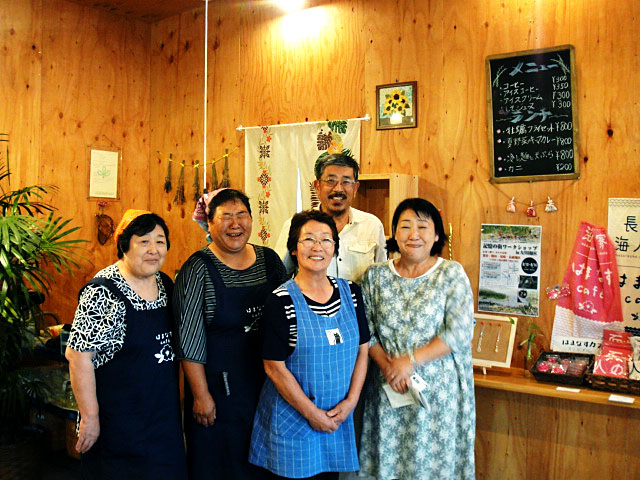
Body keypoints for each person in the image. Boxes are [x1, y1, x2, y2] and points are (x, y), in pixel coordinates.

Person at [173, 188, 287, 479]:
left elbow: (288, 316)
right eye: (226, 217)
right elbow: (189, 339)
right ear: (209, 224)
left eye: (242, 215)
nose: (235, 224)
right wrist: (201, 396)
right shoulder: (197, 269)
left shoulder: (270, 261)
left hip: (266, 385)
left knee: (263, 463)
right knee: (220, 465)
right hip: (217, 391)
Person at [358, 198, 475, 480]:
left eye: (422, 227)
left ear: (436, 235)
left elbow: (459, 332)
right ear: (394, 233)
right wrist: (389, 367)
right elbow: (366, 330)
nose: (414, 234)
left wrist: (409, 362)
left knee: (433, 465)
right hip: (389, 386)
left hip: (438, 392)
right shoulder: (375, 276)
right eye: (405, 226)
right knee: (390, 462)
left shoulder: (451, 273)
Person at [66, 209, 187, 480]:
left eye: (160, 241)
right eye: (143, 241)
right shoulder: (102, 292)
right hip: (117, 424)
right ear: (124, 246)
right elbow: (78, 356)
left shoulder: (165, 284)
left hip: (161, 419)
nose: (153, 250)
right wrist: (90, 417)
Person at [249, 209, 370, 479]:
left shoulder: (351, 293)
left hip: (337, 417)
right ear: (294, 248)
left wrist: (351, 402)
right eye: (309, 239)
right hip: (294, 421)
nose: (318, 247)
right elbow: (274, 367)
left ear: (335, 248)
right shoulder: (280, 300)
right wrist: (313, 414)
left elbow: (363, 350)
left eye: (326, 239)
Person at [274, 153, 386, 283]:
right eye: (331, 181)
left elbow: (381, 278)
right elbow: (279, 276)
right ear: (317, 186)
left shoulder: (372, 225)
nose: (338, 189)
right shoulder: (296, 225)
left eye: (346, 182)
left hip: (358, 297)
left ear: (355, 188)